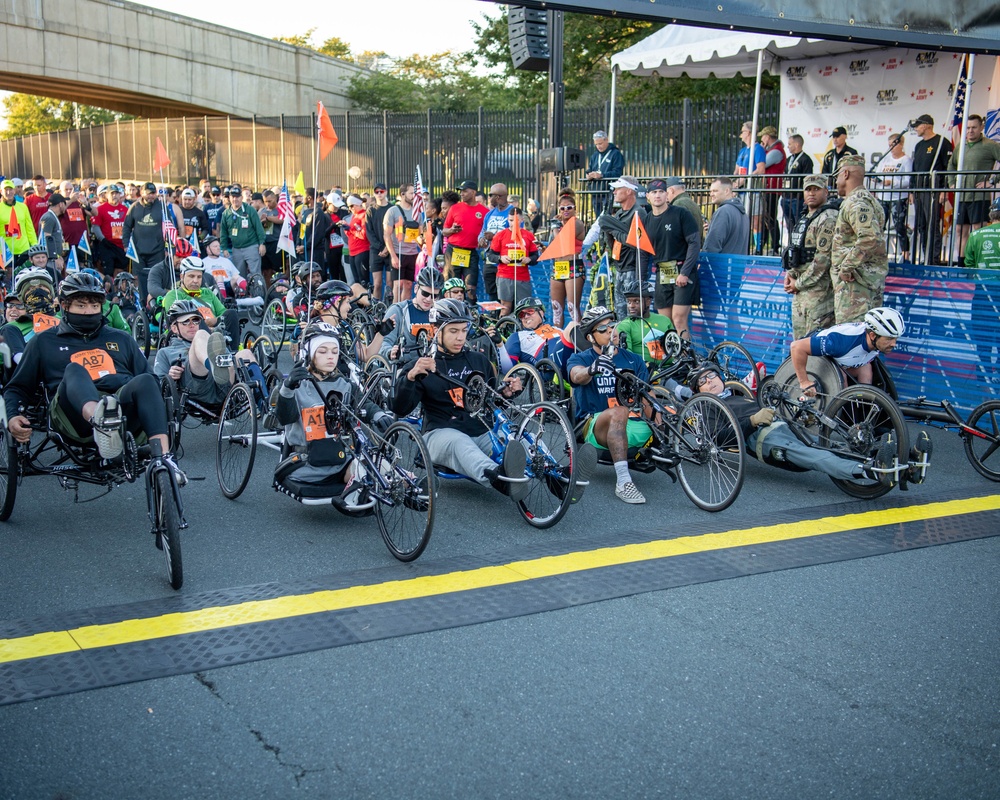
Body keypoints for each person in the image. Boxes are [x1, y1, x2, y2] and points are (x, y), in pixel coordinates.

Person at [3, 272, 182, 480]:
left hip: (121, 406)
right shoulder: (43, 342)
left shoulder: (121, 338)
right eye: (81, 306)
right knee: (75, 369)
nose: (88, 312)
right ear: (64, 306)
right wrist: (13, 415)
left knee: (146, 380)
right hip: (73, 415)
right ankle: (102, 421)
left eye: (94, 306)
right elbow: (17, 387)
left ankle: (165, 457)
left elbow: (151, 384)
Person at [689, 362, 923, 488]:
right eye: (702, 381)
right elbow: (718, 438)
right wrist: (752, 420)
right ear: (697, 390)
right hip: (765, 440)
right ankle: (872, 471)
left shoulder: (737, 395)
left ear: (720, 377)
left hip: (784, 425)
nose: (709, 382)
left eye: (711, 376)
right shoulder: (706, 406)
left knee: (834, 446)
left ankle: (906, 464)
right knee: (815, 457)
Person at [391, 298, 533, 502]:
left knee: (512, 435)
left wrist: (506, 393)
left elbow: (489, 400)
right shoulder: (421, 364)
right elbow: (399, 407)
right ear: (435, 331)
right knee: (460, 442)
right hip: (439, 434)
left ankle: (555, 474)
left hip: (480, 430)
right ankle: (501, 478)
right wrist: (410, 377)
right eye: (453, 331)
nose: (460, 337)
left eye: (464, 330)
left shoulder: (478, 360)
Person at [275, 321, 394, 498]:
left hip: (339, 461)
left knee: (380, 467)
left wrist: (378, 414)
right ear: (309, 353)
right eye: (323, 351)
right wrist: (287, 388)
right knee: (365, 479)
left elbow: (364, 405)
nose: (330, 357)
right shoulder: (295, 385)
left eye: (335, 352)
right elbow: (284, 418)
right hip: (304, 465)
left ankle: (410, 487)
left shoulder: (344, 384)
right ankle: (357, 494)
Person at [566, 305, 656, 504]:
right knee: (618, 412)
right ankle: (623, 483)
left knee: (665, 410)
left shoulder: (633, 360)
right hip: (594, 427)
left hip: (630, 423)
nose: (610, 330)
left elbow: (647, 397)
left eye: (612, 325)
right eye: (602, 328)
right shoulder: (579, 358)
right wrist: (591, 369)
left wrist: (663, 417)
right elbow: (576, 375)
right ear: (590, 337)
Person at [154, 299, 266, 411]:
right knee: (201, 334)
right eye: (186, 322)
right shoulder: (165, 352)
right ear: (174, 328)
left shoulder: (211, 341)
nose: (192, 325)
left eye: (195, 320)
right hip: (197, 389)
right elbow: (157, 386)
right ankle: (213, 366)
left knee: (245, 353)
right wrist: (169, 375)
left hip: (224, 388)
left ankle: (266, 406)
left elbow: (230, 360)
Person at [789, 306, 905, 397]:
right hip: (816, 361)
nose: (894, 344)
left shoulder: (875, 342)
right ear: (873, 335)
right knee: (841, 376)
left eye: (895, 339)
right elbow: (796, 347)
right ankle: (841, 414)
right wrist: (804, 382)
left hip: (843, 361)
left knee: (866, 369)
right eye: (889, 339)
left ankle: (862, 411)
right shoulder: (840, 341)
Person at [832, 154, 888, 323]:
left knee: (851, 338)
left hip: (856, 287)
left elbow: (869, 237)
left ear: (846, 174)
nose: (835, 182)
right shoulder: (869, 201)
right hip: (863, 284)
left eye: (837, 176)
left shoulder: (856, 202)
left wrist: (846, 267)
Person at [783, 175, 839, 339]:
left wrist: (798, 283)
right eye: (808, 189)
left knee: (814, 347)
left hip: (819, 295)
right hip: (801, 293)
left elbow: (822, 261)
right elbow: (797, 250)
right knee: (798, 345)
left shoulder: (828, 218)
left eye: (816, 189)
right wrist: (790, 274)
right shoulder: (805, 217)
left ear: (826, 192)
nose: (811, 193)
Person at [644, 178, 700, 337]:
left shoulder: (681, 214)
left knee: (678, 319)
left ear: (667, 194)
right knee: (665, 322)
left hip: (682, 271)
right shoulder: (647, 220)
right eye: (654, 192)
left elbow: (694, 243)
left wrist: (685, 272)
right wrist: (640, 280)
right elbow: (643, 252)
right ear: (648, 196)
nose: (657, 195)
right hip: (662, 274)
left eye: (661, 191)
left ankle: (686, 359)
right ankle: (671, 359)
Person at [946, 114, 1000, 266]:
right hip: (961, 196)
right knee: (959, 230)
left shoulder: (990, 145)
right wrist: (951, 183)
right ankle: (962, 264)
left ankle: (977, 263)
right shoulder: (960, 147)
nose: (970, 131)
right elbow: (951, 165)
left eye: (974, 127)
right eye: (968, 128)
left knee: (978, 230)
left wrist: (991, 181)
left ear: (981, 128)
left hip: (979, 196)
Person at [597, 176, 651, 320]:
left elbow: (636, 242)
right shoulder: (620, 214)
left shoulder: (639, 212)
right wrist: (612, 231)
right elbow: (613, 242)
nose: (614, 192)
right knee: (620, 312)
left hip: (632, 268)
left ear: (628, 191)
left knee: (633, 314)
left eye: (618, 188)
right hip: (619, 267)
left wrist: (613, 230)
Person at [162, 256, 240, 346]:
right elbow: (175, 320)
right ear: (182, 276)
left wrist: (215, 321)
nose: (195, 280)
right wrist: (202, 324)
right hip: (190, 332)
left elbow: (223, 313)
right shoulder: (173, 295)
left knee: (231, 313)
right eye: (191, 276)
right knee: (196, 318)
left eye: (199, 277)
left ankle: (233, 352)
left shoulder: (207, 292)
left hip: (215, 330)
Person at [963, 198, 1000, 378]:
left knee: (982, 336)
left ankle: (982, 376)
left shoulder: (976, 235)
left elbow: (968, 265)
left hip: (982, 293)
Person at [909, 114, 953, 266]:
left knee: (932, 224)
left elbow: (948, 168)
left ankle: (933, 258)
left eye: (918, 125)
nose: (916, 129)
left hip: (934, 190)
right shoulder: (919, 145)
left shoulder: (942, 142)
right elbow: (915, 169)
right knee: (921, 225)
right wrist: (912, 190)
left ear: (927, 125)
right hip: (919, 191)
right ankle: (924, 256)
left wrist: (944, 190)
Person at [501, 296, 576, 378]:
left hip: (573, 356)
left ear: (542, 312)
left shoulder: (556, 329)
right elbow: (507, 370)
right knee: (573, 326)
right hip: (550, 366)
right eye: (521, 315)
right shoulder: (518, 336)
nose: (526, 316)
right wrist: (500, 345)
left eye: (530, 311)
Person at [614, 278, 678, 373]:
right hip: (645, 373)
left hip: (671, 369)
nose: (631, 306)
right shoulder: (625, 325)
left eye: (636, 301)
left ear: (648, 301)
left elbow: (676, 348)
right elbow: (628, 357)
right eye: (629, 302)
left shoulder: (664, 320)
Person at [379, 267, 443, 360]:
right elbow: (384, 342)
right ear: (416, 288)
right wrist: (390, 352)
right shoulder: (398, 310)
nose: (429, 299)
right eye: (425, 293)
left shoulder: (439, 313)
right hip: (404, 368)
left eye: (434, 296)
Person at [0, 268, 59, 366]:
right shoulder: (9, 329)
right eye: (30, 289)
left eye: (41, 286)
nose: (37, 291)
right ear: (22, 296)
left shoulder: (64, 321)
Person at [121, 181, 169, 303]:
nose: (151, 196)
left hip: (157, 251)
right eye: (148, 193)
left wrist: (169, 249)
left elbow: (170, 228)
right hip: (138, 252)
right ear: (142, 193)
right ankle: (140, 303)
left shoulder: (162, 206)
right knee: (138, 279)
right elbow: (126, 227)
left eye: (153, 193)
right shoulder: (134, 207)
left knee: (156, 278)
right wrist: (126, 245)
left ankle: (155, 303)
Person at [442, 180, 488, 304]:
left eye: (465, 191)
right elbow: (444, 231)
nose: (461, 194)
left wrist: (484, 241)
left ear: (473, 192)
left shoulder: (484, 212)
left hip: (471, 252)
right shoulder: (455, 208)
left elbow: (486, 233)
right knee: (451, 286)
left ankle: (470, 313)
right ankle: (449, 311)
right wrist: (452, 230)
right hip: (454, 250)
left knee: (470, 288)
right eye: (461, 191)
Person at [548, 189, 588, 327]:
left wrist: (554, 227)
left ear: (575, 209)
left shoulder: (576, 223)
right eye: (562, 208)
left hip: (573, 265)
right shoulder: (560, 225)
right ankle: (558, 341)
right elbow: (556, 246)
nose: (566, 210)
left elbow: (562, 241)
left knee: (572, 308)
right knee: (556, 309)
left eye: (569, 208)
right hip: (558, 266)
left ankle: (579, 341)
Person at [490, 206, 539, 315]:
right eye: (511, 220)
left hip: (522, 277)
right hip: (505, 276)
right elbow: (490, 255)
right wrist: (500, 258)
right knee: (505, 307)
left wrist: (529, 259)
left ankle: (521, 330)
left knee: (523, 308)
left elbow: (536, 257)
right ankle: (502, 329)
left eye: (516, 220)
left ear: (521, 220)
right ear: (508, 220)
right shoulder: (500, 235)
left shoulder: (528, 236)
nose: (513, 223)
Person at [873, 133, 912, 262]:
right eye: (889, 145)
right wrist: (877, 180)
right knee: (879, 226)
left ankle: (906, 255)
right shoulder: (885, 159)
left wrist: (892, 183)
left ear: (901, 145)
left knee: (899, 226)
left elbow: (908, 180)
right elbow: (877, 174)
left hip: (898, 197)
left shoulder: (906, 160)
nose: (891, 148)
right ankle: (877, 254)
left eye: (894, 145)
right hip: (883, 196)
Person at [384, 182, 422, 305]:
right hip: (398, 251)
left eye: (414, 194)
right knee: (398, 284)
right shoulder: (393, 211)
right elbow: (387, 234)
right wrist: (393, 256)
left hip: (413, 252)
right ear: (402, 194)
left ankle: (405, 309)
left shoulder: (417, 212)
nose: (413, 196)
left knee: (409, 284)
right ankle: (395, 310)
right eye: (411, 193)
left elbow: (420, 233)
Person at [219, 184, 266, 278]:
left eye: (237, 197)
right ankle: (242, 293)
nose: (235, 199)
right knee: (239, 276)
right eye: (233, 197)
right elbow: (223, 233)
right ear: (229, 198)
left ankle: (258, 292)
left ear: (241, 197)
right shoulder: (226, 213)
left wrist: (262, 243)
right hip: (236, 249)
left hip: (251, 246)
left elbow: (259, 227)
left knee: (255, 274)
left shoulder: (250, 210)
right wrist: (224, 248)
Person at [758, 126, 787, 255]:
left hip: (772, 189)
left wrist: (761, 151)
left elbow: (762, 164)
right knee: (766, 217)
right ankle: (765, 243)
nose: (761, 139)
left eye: (762, 136)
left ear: (767, 137)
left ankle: (775, 246)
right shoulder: (773, 150)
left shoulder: (776, 151)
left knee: (770, 217)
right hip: (769, 188)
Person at [90, 185, 129, 277]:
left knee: (120, 272)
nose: (114, 195)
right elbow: (95, 227)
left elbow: (130, 226)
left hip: (121, 246)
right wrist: (103, 239)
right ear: (106, 195)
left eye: (116, 193)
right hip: (107, 245)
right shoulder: (100, 209)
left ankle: (118, 290)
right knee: (108, 272)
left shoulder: (125, 209)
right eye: (112, 193)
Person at [703, 178, 749, 255]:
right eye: (710, 191)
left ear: (727, 191)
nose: (711, 194)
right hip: (738, 265)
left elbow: (712, 245)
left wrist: (705, 261)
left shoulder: (723, 211)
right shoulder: (743, 213)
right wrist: (712, 228)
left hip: (722, 265)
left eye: (715, 191)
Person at [585, 130, 625, 217]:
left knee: (607, 215)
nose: (598, 146)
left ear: (606, 140)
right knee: (598, 217)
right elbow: (590, 168)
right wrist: (588, 175)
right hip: (596, 191)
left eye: (600, 143)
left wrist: (602, 175)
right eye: (596, 144)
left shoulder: (615, 154)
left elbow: (618, 173)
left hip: (608, 190)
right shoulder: (595, 155)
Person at [781, 134, 814, 238]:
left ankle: (799, 244)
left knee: (798, 223)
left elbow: (807, 180)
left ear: (797, 144)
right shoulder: (789, 159)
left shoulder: (806, 159)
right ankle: (791, 244)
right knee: (789, 223)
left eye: (790, 144)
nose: (788, 146)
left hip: (797, 198)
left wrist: (804, 196)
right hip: (786, 196)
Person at [1, 179, 38, 270]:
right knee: (8, 279)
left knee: (24, 276)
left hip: (23, 249)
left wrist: (34, 245)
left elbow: (29, 228)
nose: (9, 192)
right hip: (6, 251)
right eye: (6, 190)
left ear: (14, 191)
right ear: (1, 192)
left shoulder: (23, 207)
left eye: (11, 189)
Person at [365, 182, 392, 303]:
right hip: (376, 250)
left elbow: (396, 230)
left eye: (381, 191)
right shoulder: (371, 210)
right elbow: (369, 232)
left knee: (390, 283)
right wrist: (381, 247)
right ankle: (375, 309)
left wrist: (387, 248)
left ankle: (390, 307)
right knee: (377, 284)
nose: (379, 194)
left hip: (391, 249)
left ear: (386, 192)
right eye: (377, 192)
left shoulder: (392, 208)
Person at [663, 177, 704, 243]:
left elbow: (675, 232)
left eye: (666, 192)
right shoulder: (691, 202)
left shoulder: (678, 204)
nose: (665, 196)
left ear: (671, 190)